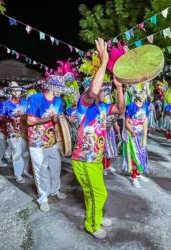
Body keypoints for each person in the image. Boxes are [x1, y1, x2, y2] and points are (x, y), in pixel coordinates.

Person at [71, 38, 125, 240]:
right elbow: (93, 90)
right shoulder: (83, 106)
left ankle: (97, 216)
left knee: (92, 193)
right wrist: (104, 61)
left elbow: (120, 109)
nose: (105, 91)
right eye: (105, 89)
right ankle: (91, 226)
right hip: (84, 160)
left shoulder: (103, 108)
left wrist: (119, 86)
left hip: (95, 160)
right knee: (99, 193)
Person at [27, 74, 70, 212]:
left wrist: (60, 139)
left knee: (56, 167)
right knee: (41, 170)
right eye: (59, 88)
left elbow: (58, 122)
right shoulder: (35, 98)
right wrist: (49, 119)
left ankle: (55, 190)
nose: (61, 91)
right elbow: (30, 121)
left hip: (53, 142)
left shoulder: (59, 101)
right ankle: (43, 198)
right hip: (37, 142)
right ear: (52, 86)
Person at [0, 82, 30, 183]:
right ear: (11, 92)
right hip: (13, 132)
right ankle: (18, 175)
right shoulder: (6, 104)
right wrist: (10, 118)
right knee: (17, 153)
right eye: (15, 90)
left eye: (19, 90)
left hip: (25, 131)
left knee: (26, 152)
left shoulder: (25, 103)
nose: (17, 92)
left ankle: (25, 170)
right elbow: (1, 118)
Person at [123, 83, 150, 188]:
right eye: (141, 94)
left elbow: (145, 122)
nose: (143, 96)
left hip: (141, 134)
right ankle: (134, 177)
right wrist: (132, 132)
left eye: (144, 94)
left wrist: (145, 138)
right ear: (136, 94)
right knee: (134, 156)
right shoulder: (131, 106)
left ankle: (139, 174)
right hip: (132, 135)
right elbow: (126, 123)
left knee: (142, 154)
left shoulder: (145, 106)